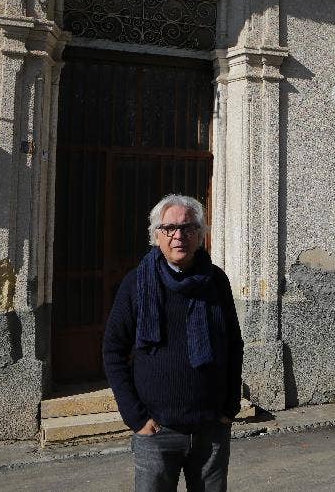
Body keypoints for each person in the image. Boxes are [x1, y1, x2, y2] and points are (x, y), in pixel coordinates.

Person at [103, 194, 243, 492]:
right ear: (156, 235)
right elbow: (113, 351)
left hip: (211, 429)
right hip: (156, 432)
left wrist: (229, 407)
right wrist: (136, 417)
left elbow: (233, 345)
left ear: (200, 235)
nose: (178, 236)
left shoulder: (216, 282)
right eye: (169, 228)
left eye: (188, 228)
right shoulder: (136, 283)